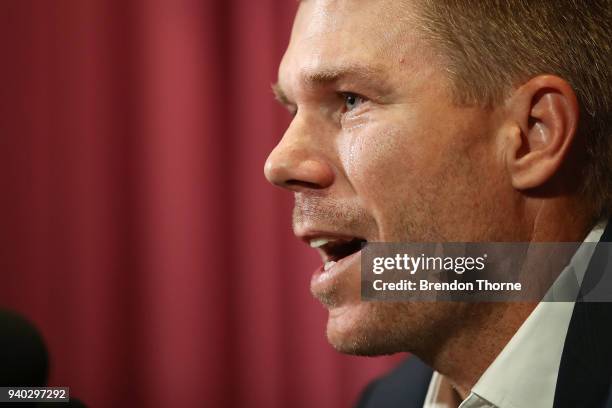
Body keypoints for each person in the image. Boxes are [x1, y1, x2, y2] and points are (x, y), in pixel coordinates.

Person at [264, 0, 612, 407]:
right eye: (291, 109)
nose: (279, 163)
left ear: (534, 133)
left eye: (351, 100)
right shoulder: (386, 401)